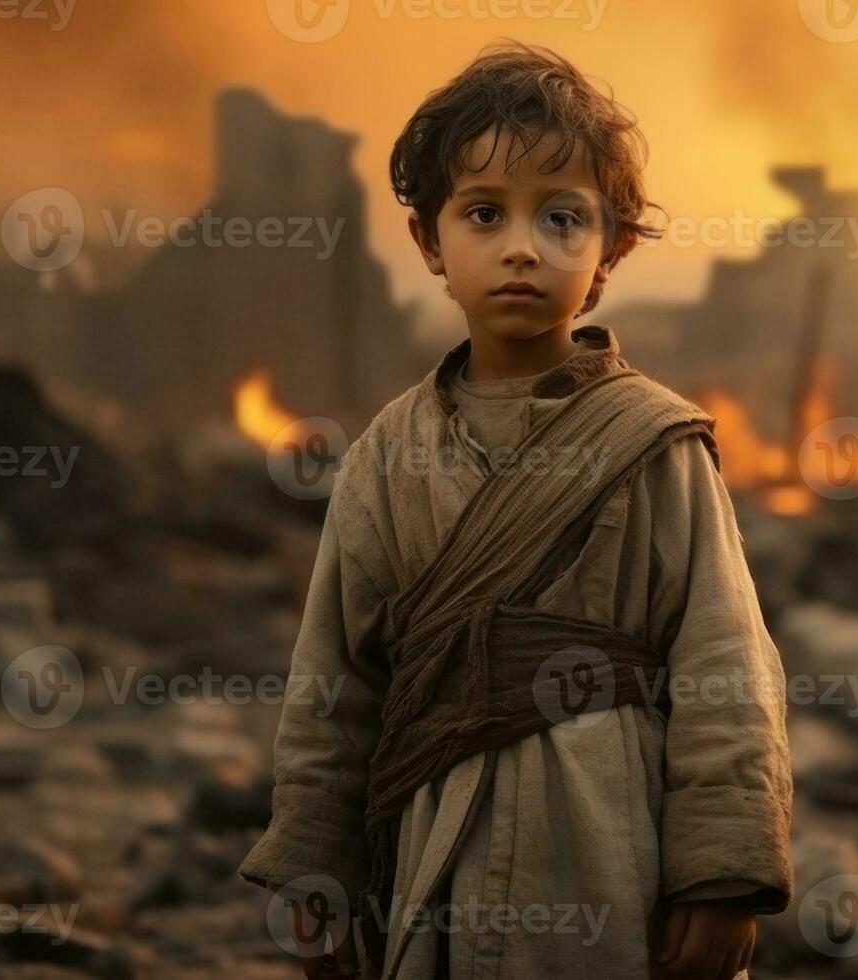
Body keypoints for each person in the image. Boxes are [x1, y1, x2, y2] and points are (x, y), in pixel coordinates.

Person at [239, 40, 794, 980]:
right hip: (430, 843)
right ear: (430, 243)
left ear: (610, 249)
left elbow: (723, 664)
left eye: (563, 218)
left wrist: (722, 869)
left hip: (607, 846)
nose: (523, 247)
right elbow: (333, 685)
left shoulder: (655, 446)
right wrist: (316, 869)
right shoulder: (387, 457)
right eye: (485, 213)